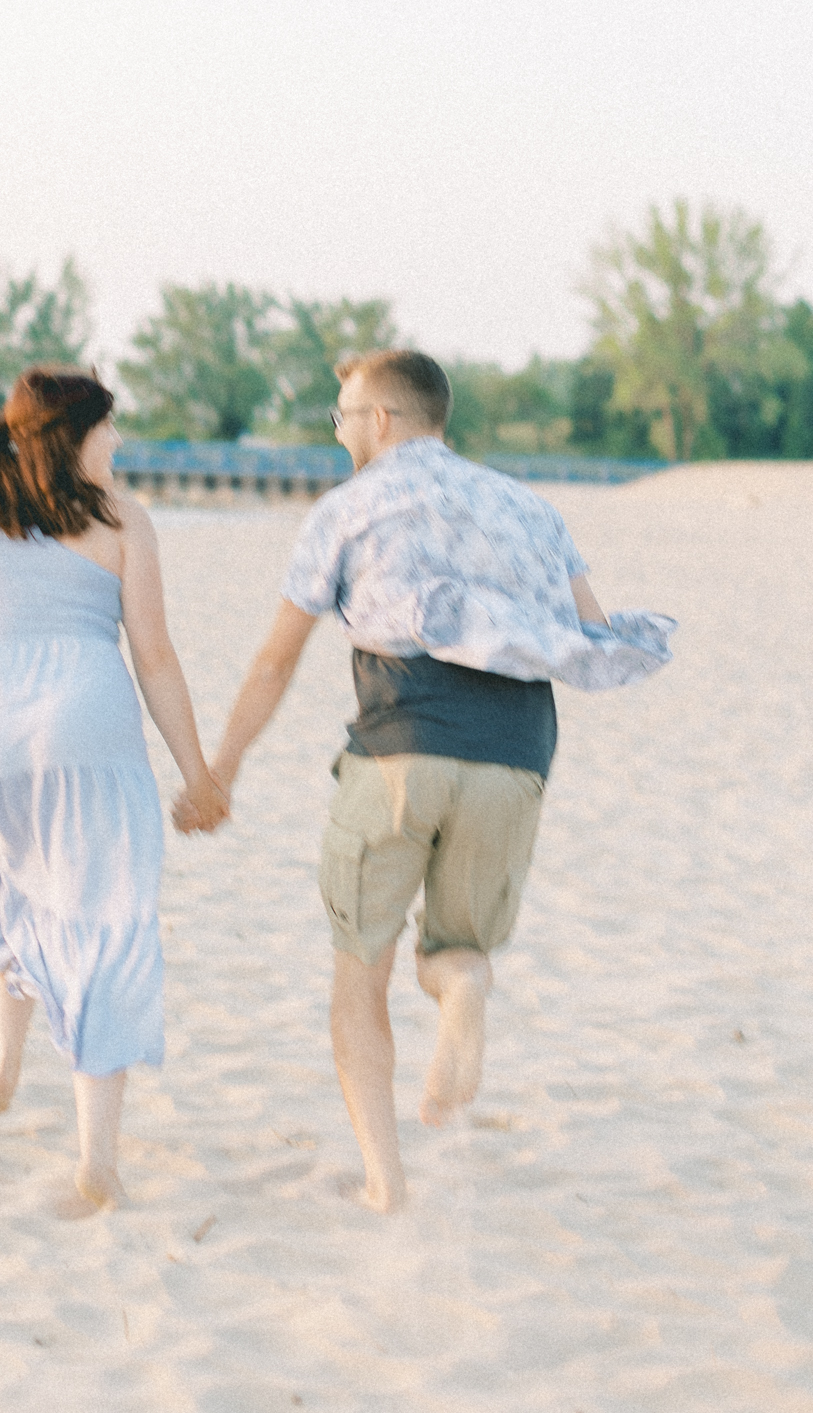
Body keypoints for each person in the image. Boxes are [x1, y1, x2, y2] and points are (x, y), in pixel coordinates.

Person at [175, 348, 673, 1214]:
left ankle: (384, 1180)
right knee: (456, 950)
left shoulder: (347, 509)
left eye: (342, 417)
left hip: (399, 749)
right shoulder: (531, 510)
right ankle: (463, 986)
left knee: (357, 974)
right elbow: (593, 636)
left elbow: (274, 660)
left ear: (383, 421)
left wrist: (219, 772)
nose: (339, 434)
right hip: (516, 755)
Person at [0, 368, 228, 1217]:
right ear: (73, 434)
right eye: (108, 429)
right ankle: (97, 1161)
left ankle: (2, 1071)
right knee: (99, 922)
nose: (117, 444)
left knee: (16, 888)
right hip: (87, 732)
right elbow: (153, 655)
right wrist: (196, 773)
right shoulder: (121, 521)